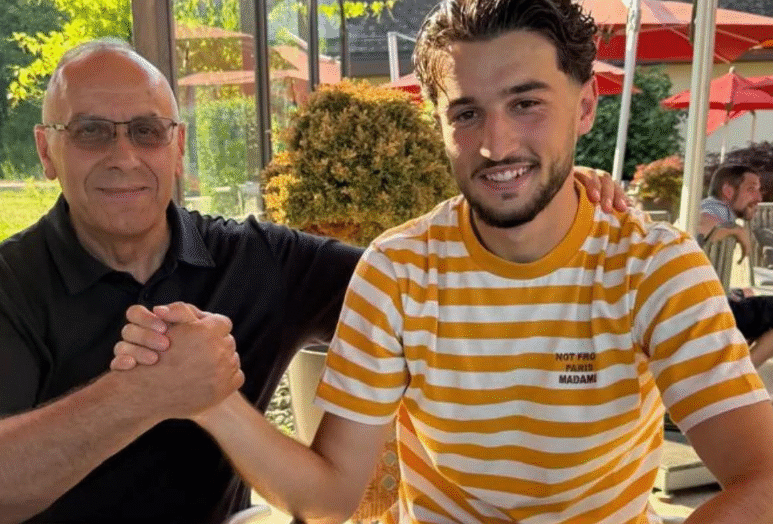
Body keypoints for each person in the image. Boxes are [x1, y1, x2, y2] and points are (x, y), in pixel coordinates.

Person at [117, 1, 773, 522]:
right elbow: (330, 498)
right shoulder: (398, 270)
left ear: (583, 107)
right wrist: (214, 402)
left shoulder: (652, 266)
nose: (495, 143)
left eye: (526, 103)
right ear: (437, 123)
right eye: (466, 113)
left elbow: (761, 480)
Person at [0, 37, 626, 523]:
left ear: (178, 147)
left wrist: (542, 200)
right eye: (89, 132)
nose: (123, 155)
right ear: (47, 151)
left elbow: (427, 278)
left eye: (146, 130)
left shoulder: (259, 261)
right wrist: (140, 394)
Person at [697, 164, 773, 368]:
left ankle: (733, 370)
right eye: (751, 189)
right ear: (728, 191)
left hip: (712, 304)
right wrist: (736, 230)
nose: (759, 197)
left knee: (751, 299)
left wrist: (733, 293)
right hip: (706, 313)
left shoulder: (719, 211)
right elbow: (699, 228)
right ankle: (739, 374)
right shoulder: (716, 208)